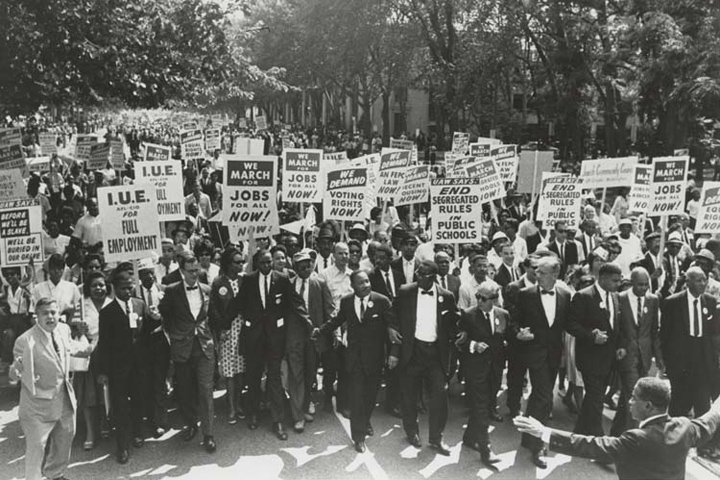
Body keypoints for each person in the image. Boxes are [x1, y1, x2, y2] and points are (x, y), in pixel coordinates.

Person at [515, 377, 720, 480]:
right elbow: (709, 420)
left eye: (633, 397)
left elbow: (591, 445)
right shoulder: (685, 427)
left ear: (648, 406)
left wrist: (544, 432)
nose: (629, 402)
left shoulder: (637, 438)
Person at [230, 249, 311, 440]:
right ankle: (253, 414)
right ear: (257, 264)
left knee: (275, 378)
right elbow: (238, 303)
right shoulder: (249, 280)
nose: (267, 266)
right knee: (253, 377)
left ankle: (278, 421)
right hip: (254, 338)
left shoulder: (282, 279)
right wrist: (223, 323)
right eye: (263, 263)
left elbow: (295, 303)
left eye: (269, 263)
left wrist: (307, 320)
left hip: (275, 338)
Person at [312, 270, 394, 453]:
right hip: (354, 358)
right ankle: (358, 437)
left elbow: (392, 328)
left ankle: (365, 421)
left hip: (374, 359)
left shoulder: (382, 301)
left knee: (370, 397)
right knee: (356, 398)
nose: (366, 285)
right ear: (353, 286)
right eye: (361, 283)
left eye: (367, 281)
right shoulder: (347, 301)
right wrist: (321, 330)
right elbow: (338, 319)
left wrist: (393, 353)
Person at [9, 297, 92, 480]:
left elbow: (69, 347)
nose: (50, 317)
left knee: (66, 439)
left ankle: (55, 474)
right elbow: (14, 375)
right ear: (36, 316)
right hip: (37, 405)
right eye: (45, 313)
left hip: (63, 398)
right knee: (37, 448)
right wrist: (16, 368)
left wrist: (88, 347)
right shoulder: (25, 340)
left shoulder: (63, 329)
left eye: (54, 312)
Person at [388, 260, 459, 456]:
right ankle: (412, 432)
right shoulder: (406, 291)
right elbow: (392, 312)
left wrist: (461, 335)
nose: (417, 277)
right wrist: (391, 328)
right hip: (413, 352)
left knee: (439, 396)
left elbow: (454, 321)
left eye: (423, 275)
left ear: (434, 277)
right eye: (418, 273)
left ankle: (436, 438)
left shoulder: (447, 296)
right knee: (409, 396)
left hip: (436, 354)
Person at [510, 254, 572, 468]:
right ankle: (538, 446)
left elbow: (570, 325)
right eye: (535, 272)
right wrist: (518, 332)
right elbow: (515, 319)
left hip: (554, 355)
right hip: (534, 353)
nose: (536, 276)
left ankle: (528, 438)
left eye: (542, 273)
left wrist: (591, 334)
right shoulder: (525, 294)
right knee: (545, 398)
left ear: (555, 274)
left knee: (539, 396)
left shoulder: (565, 294)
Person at [96, 270, 157, 464]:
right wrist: (103, 371)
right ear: (114, 289)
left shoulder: (140, 304)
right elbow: (104, 343)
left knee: (139, 400)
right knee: (120, 405)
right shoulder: (107, 312)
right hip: (118, 368)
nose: (128, 291)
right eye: (123, 288)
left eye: (130, 287)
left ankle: (138, 433)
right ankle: (122, 446)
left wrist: (155, 319)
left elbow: (148, 332)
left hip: (139, 364)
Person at [159, 251, 217, 453]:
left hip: (204, 346)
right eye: (190, 271)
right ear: (182, 271)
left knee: (206, 390)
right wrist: (174, 333)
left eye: (196, 270)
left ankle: (208, 434)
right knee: (185, 391)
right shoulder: (172, 291)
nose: (194, 274)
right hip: (182, 347)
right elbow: (164, 314)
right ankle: (192, 423)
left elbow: (214, 316)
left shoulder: (207, 289)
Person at [567, 263, 625, 437]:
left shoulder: (615, 297)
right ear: (603, 278)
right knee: (596, 399)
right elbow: (571, 325)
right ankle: (598, 441)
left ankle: (579, 434)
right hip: (590, 358)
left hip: (608, 359)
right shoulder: (583, 296)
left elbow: (617, 326)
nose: (618, 284)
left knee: (593, 398)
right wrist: (591, 335)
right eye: (615, 280)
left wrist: (620, 346)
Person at [458, 282, 509, 465]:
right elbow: (458, 341)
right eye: (477, 296)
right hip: (476, 369)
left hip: (495, 370)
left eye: (483, 298)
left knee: (485, 404)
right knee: (481, 407)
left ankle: (469, 437)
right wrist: (473, 345)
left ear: (494, 300)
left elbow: (506, 339)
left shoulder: (503, 316)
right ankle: (485, 449)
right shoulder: (468, 315)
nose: (478, 300)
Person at [660, 266, 720, 417]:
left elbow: (713, 333)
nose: (704, 283)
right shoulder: (673, 302)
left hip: (703, 357)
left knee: (703, 404)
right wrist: (667, 361)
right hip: (681, 358)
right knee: (679, 403)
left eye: (705, 279)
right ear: (688, 282)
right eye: (699, 280)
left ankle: (703, 439)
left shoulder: (710, 302)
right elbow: (665, 335)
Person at [611, 267, 662, 436]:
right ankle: (630, 441)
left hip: (644, 357)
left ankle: (615, 438)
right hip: (627, 357)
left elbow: (654, 331)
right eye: (640, 284)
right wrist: (619, 347)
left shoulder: (653, 300)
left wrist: (659, 359)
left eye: (646, 285)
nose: (643, 288)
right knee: (635, 399)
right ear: (631, 282)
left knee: (627, 401)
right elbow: (616, 328)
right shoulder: (620, 298)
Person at [287, 250, 334, 432]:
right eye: (301, 266)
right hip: (294, 338)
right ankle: (297, 416)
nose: (306, 269)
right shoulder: (288, 284)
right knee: (295, 376)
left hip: (314, 337)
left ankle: (305, 405)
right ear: (295, 267)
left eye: (309, 265)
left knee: (309, 376)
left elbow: (329, 309)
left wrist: (333, 332)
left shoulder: (320, 283)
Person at [209, 246, 246, 425]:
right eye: (237, 262)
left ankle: (239, 403)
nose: (240, 265)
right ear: (228, 264)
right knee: (230, 373)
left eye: (242, 262)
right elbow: (213, 309)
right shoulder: (218, 283)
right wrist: (221, 328)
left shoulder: (244, 280)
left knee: (240, 371)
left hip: (243, 330)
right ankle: (231, 406)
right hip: (227, 332)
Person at [75, 271, 111, 451]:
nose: (98, 288)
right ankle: (90, 431)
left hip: (109, 351)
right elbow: (72, 332)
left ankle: (105, 422)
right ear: (88, 288)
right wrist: (77, 328)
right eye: (94, 285)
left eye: (101, 285)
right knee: (88, 393)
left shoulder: (112, 303)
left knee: (105, 390)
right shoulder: (82, 305)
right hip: (89, 351)